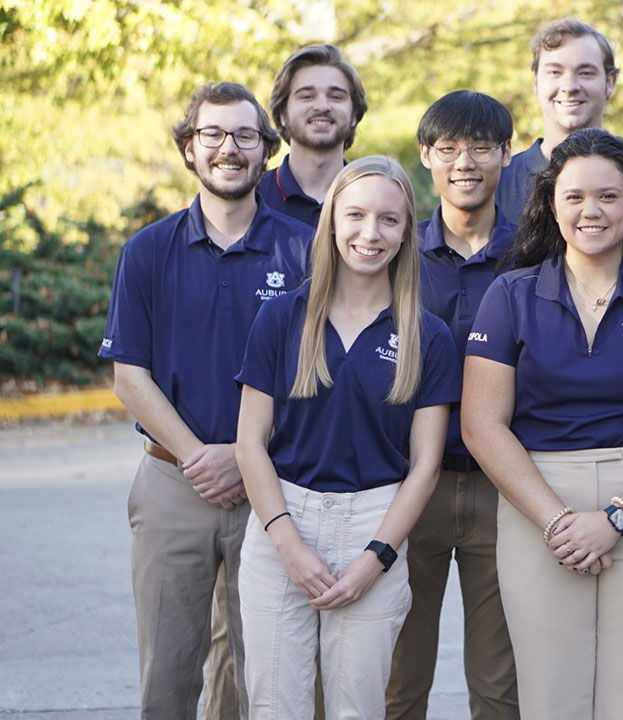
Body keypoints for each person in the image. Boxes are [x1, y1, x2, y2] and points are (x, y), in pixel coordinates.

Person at [463, 128, 623, 719]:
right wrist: (558, 522)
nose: (591, 211)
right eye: (575, 196)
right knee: (551, 699)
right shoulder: (509, 294)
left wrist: (617, 518)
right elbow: (482, 425)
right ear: (552, 205)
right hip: (537, 503)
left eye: (608, 196)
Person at [99, 82, 312, 719]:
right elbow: (129, 375)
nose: (228, 148)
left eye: (245, 135)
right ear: (189, 148)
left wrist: (244, 456)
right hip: (173, 484)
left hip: (273, 487)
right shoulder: (148, 250)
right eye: (212, 135)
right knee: (168, 675)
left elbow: (316, 370)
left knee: (265, 675)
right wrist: (202, 458)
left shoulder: (304, 250)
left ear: (266, 150)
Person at [234, 156, 459, 718]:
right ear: (331, 220)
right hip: (281, 518)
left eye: (389, 219)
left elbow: (425, 465)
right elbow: (248, 444)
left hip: (374, 522)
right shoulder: (283, 317)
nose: (369, 233)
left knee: (357, 708)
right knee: (273, 705)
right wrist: (287, 543)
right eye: (355, 215)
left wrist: (375, 558)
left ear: (408, 231)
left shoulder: (427, 336)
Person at [384, 90, 520, 720]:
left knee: (500, 684)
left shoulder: (537, 254)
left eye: (482, 148)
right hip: (412, 487)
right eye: (449, 149)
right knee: (398, 678)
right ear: (426, 158)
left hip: (506, 489)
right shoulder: (394, 253)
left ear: (507, 155)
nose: (465, 162)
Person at [496, 17, 623, 243]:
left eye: (585, 72)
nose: (569, 87)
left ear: (609, 82)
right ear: (536, 82)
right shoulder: (497, 184)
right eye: (555, 73)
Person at [258, 44, 367, 227]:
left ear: (354, 115)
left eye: (336, 96)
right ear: (282, 114)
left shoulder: (374, 198)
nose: (322, 106)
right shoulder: (253, 199)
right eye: (307, 96)